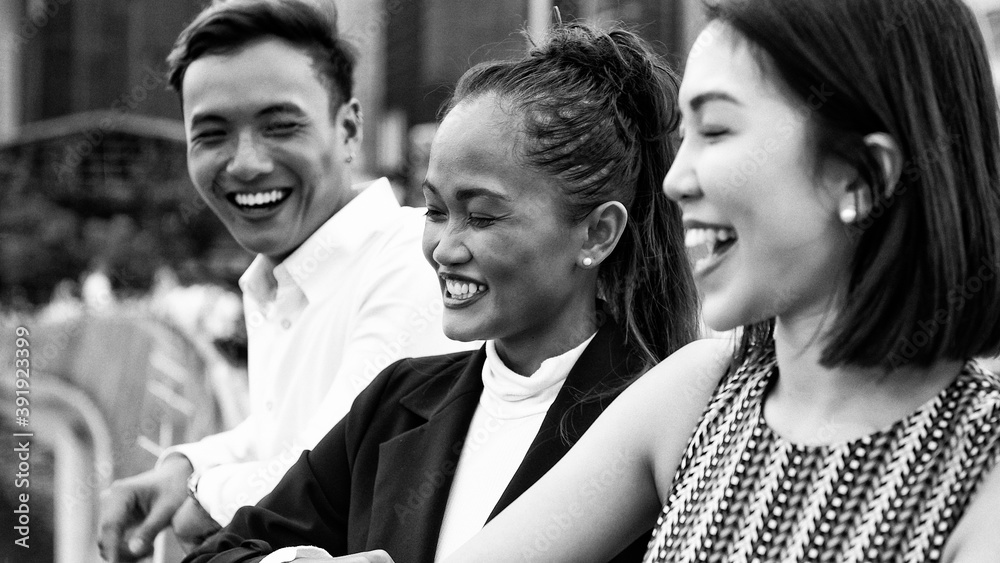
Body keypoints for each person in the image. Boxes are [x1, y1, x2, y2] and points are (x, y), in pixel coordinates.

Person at [378, 0, 999, 561]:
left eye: (718, 130)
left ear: (861, 175)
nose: (676, 181)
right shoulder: (698, 394)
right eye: (682, 138)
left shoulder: (982, 468)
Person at [181, 22, 701, 563]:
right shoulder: (397, 401)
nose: (443, 247)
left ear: (597, 233)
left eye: (481, 216)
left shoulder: (663, 418)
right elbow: (216, 552)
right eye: (434, 211)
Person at [96, 1, 474, 560]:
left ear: (348, 129)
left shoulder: (413, 261)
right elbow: (279, 433)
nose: (245, 163)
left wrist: (206, 497)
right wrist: (185, 468)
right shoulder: (281, 277)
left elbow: (329, 466)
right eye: (212, 134)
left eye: (279, 126)